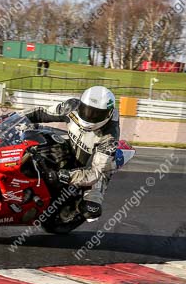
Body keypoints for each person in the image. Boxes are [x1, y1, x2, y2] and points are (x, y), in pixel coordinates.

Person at [21, 86, 119, 221]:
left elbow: (95, 173)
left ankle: (74, 209)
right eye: (87, 110)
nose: (90, 116)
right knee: (31, 133)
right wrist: (16, 117)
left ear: (108, 114)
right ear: (81, 104)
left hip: (92, 165)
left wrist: (64, 176)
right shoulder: (72, 106)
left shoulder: (109, 138)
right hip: (71, 142)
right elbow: (41, 112)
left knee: (91, 209)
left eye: (96, 114)